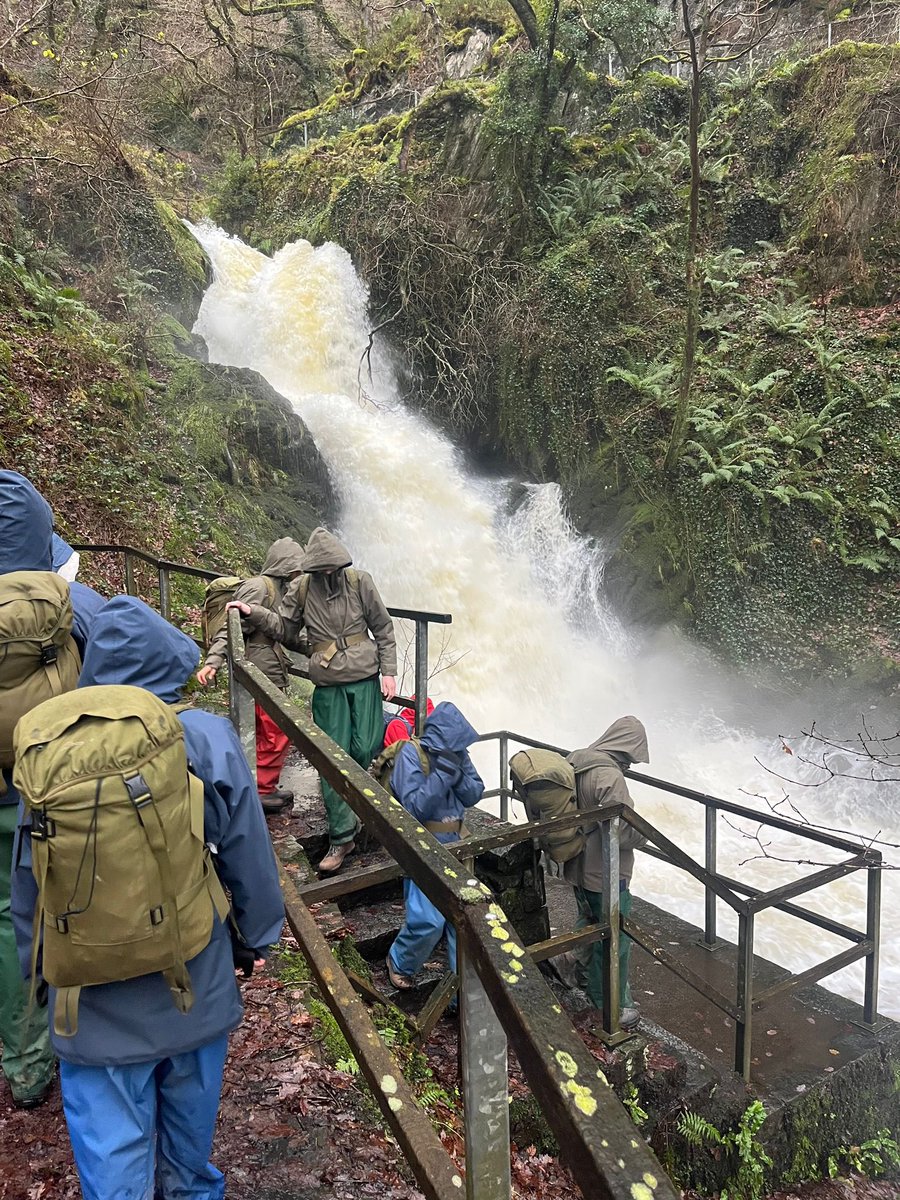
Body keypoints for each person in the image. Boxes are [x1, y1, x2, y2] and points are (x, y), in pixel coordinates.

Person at [11, 596, 285, 1199]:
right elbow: (247, 851)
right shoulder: (206, 735)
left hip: (89, 1004)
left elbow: (30, 879)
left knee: (113, 1162)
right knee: (188, 1150)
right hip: (195, 978)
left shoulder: (51, 756)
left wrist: (39, 978)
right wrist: (259, 937)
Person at [0, 471, 103, 1109]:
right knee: (62, 909)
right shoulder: (77, 609)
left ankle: (22, 1061)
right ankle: (65, 1051)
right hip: (54, 795)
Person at [229, 528, 397, 874]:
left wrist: (389, 671)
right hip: (328, 682)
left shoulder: (359, 581)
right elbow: (285, 629)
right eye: (319, 570)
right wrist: (253, 611)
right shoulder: (301, 589)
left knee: (364, 747)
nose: (325, 575)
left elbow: (382, 626)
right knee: (330, 759)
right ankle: (341, 837)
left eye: (329, 569)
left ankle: (356, 808)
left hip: (365, 678)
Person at [197, 538, 306, 815]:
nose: (299, 576)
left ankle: (259, 785)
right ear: (286, 568)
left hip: (267, 667)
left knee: (265, 729)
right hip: (258, 670)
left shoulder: (279, 590)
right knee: (275, 730)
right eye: (296, 570)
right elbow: (230, 626)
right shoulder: (258, 587)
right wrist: (214, 660)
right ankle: (261, 790)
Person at [385, 702, 483, 991]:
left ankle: (458, 994)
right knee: (427, 920)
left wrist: (459, 772)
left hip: (457, 845)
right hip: (423, 847)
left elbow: (474, 792)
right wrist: (442, 774)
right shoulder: (411, 756)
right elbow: (414, 807)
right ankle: (400, 962)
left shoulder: (458, 754)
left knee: (462, 922)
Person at [562, 716, 649, 1033]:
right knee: (614, 939)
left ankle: (575, 967)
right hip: (606, 872)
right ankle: (607, 1005)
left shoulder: (579, 759)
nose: (630, 765)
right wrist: (645, 835)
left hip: (578, 862)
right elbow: (625, 831)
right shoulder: (610, 778)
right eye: (630, 758)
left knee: (590, 921)